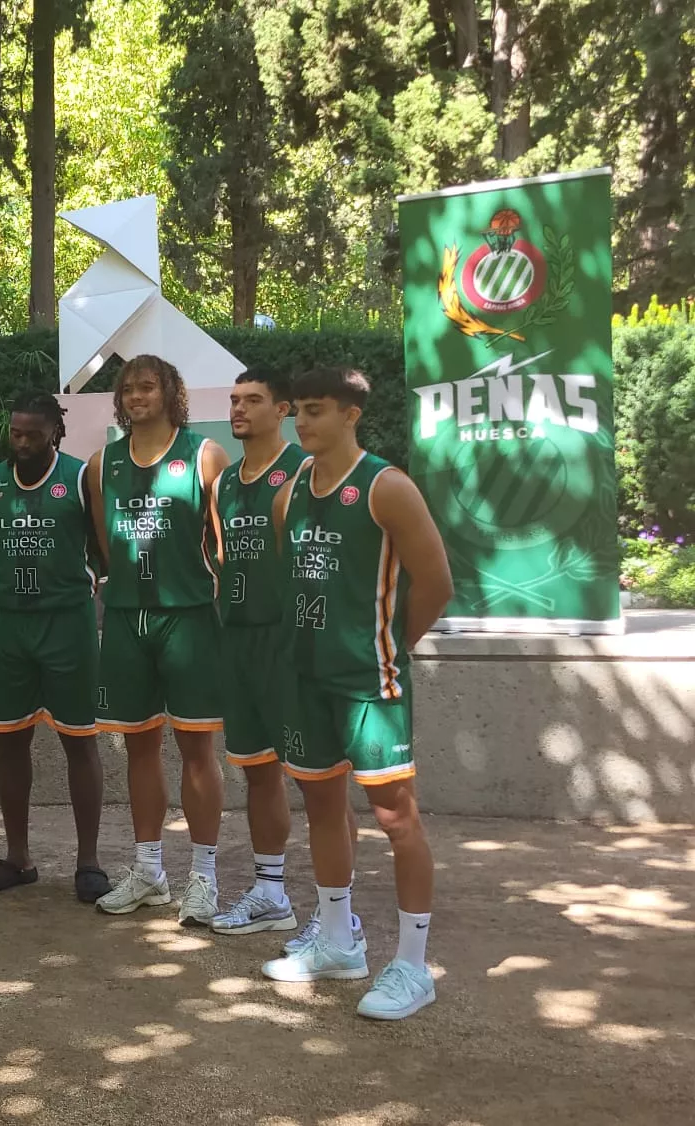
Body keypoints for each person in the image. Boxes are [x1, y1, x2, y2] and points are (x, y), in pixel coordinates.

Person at [260, 367, 452, 1022]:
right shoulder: (289, 495)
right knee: (321, 805)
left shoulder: (386, 487)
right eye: (298, 414)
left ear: (350, 414)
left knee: (398, 818)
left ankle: (412, 966)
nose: (301, 424)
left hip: (370, 684)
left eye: (314, 412)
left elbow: (436, 581)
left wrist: (388, 647)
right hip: (305, 680)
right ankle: (339, 942)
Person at [85, 355, 232, 925]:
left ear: (172, 392)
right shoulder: (103, 464)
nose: (136, 396)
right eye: (128, 389)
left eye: (148, 386)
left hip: (189, 618)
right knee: (138, 744)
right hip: (126, 617)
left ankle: (204, 875)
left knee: (198, 748)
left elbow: (222, 545)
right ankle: (148, 871)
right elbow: (107, 542)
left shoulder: (203, 456)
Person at [0, 392, 108, 902]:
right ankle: (18, 856)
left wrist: (88, 575)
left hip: (66, 622)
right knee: (10, 738)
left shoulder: (79, 477)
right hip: (8, 621)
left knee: (79, 738)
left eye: (32, 433)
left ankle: (88, 861)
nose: (21, 441)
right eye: (15, 432)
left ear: (55, 431)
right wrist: (8, 572)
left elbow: (103, 541)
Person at [209, 373, 312, 937]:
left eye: (252, 401)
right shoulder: (225, 482)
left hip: (289, 640)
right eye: (233, 400)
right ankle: (272, 893)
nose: (239, 409)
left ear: (283, 410)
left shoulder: (300, 470)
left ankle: (334, 908)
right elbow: (224, 556)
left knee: (319, 775)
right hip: (240, 639)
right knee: (258, 771)